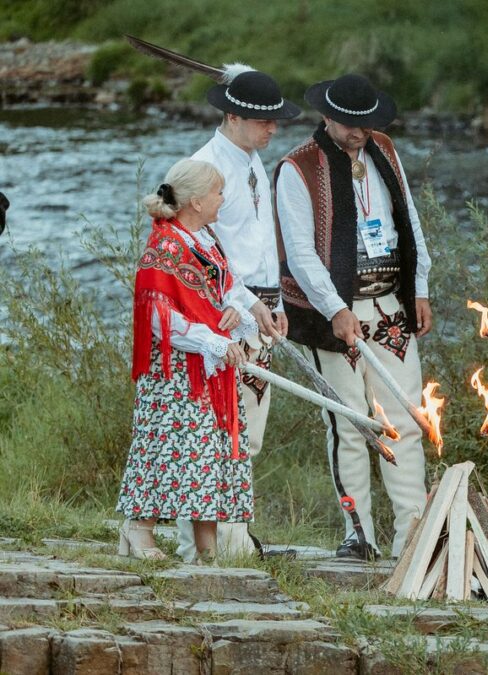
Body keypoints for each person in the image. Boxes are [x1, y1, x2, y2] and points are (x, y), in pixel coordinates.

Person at [274, 73, 431, 560]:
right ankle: (358, 534)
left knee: (405, 418)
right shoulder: (296, 168)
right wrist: (337, 309)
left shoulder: (383, 148)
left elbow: (409, 217)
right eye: (349, 123)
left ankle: (413, 534)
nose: (358, 132)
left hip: (391, 306)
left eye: (366, 123)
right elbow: (300, 253)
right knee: (349, 422)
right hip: (331, 311)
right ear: (327, 116)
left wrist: (419, 285)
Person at [173, 67, 300, 561]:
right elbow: (192, 248)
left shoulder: (252, 163)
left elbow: (262, 243)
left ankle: (234, 537)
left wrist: (279, 303)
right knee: (216, 431)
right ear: (232, 115)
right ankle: (206, 545)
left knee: (248, 434)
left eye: (275, 121)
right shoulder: (201, 169)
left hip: (261, 309)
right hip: (221, 316)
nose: (273, 130)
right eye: (263, 121)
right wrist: (233, 306)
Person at [116, 159, 270, 562]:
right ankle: (139, 530)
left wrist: (233, 317)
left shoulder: (206, 239)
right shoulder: (165, 245)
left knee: (210, 451)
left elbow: (226, 287)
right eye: (218, 192)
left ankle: (207, 550)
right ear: (197, 201)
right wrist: (211, 340)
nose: (223, 199)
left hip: (210, 368)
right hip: (175, 370)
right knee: (165, 445)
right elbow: (157, 315)